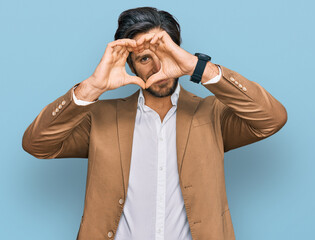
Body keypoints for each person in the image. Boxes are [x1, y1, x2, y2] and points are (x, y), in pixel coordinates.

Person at [22, 6, 287, 240]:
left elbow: (271, 119)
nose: (158, 67)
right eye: (145, 58)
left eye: (165, 53)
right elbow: (37, 144)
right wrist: (92, 87)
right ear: (131, 65)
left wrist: (197, 67)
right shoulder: (100, 118)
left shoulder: (211, 114)